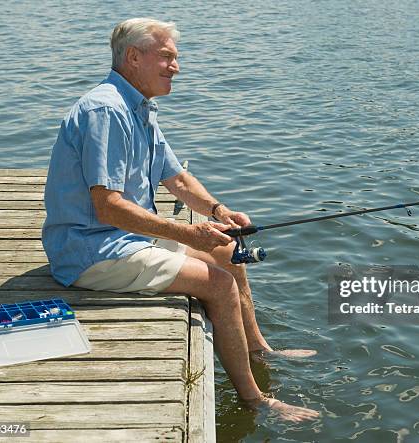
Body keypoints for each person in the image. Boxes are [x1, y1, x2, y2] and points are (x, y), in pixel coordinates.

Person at [42, 17, 318, 422]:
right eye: (167, 57)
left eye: (176, 58)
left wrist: (219, 213)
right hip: (90, 250)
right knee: (219, 286)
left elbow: (177, 178)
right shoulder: (106, 111)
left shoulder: (138, 107)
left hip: (124, 240)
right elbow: (108, 207)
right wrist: (188, 232)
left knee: (227, 248)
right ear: (134, 58)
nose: (176, 66)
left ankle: (259, 349)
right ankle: (256, 400)